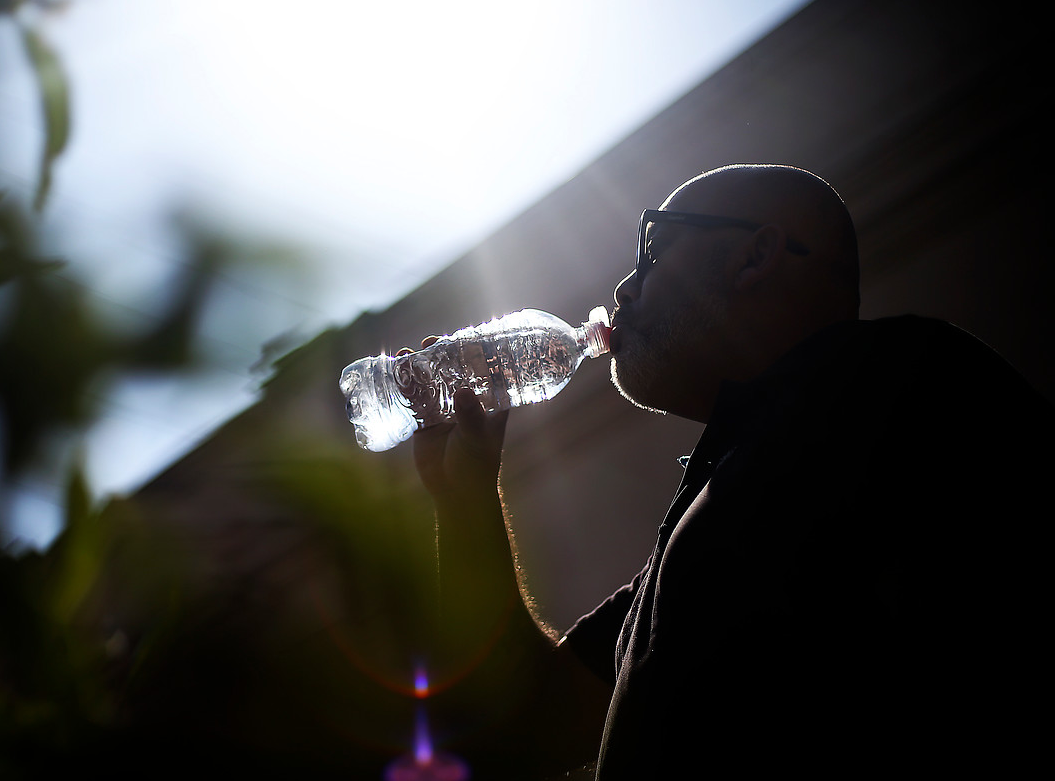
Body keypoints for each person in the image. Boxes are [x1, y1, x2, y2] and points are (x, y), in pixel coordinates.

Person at [409, 164, 1050, 778]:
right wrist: (464, 498)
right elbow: (520, 730)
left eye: (653, 252)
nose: (624, 290)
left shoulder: (905, 381)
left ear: (753, 257)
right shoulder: (698, 531)